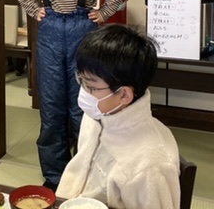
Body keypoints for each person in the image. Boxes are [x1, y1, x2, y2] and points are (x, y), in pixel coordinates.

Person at [11, 0, 129, 190]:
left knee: (83, 107)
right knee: (51, 108)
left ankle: (85, 174)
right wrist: (34, 9)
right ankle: (55, 178)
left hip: (83, 32)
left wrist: (103, 13)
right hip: (49, 32)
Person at [57, 24, 180, 209]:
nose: (83, 92)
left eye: (91, 87)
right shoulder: (98, 114)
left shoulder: (150, 165)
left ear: (124, 95)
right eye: (81, 80)